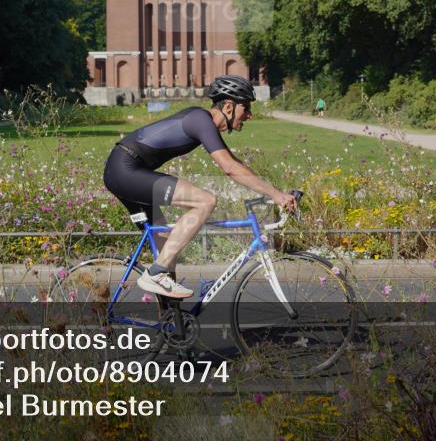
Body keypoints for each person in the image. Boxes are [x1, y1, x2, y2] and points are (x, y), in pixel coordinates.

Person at [103, 75, 297, 298]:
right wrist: (276, 194)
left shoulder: (203, 122)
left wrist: (273, 193)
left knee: (168, 249)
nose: (250, 114)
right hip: (125, 170)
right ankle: (155, 274)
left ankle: (170, 325)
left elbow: (236, 164)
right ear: (228, 106)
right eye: (247, 107)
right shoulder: (200, 119)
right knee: (205, 200)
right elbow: (229, 168)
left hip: (125, 170)